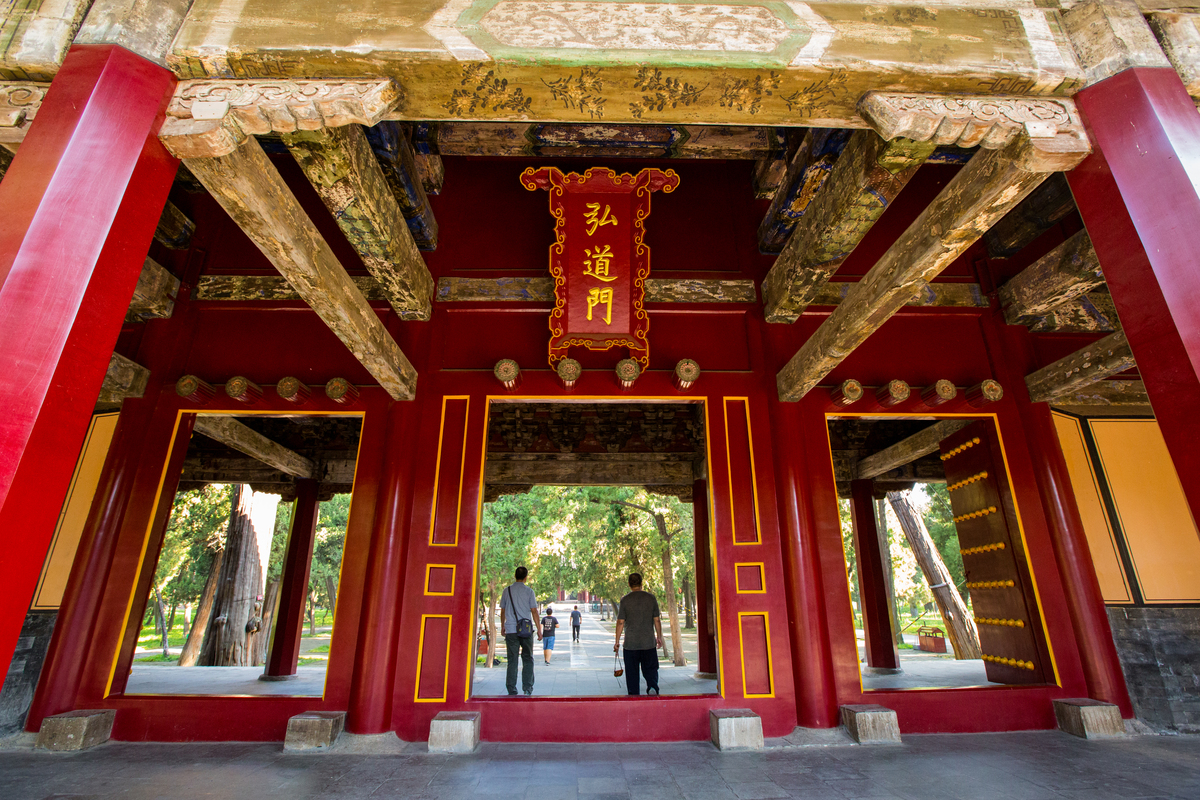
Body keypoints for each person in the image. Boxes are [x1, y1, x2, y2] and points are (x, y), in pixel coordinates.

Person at [613, 572, 664, 696]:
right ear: (641, 583)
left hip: (631, 644)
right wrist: (659, 637)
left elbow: (620, 622)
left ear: (629, 584)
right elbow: (657, 619)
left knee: (632, 673)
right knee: (651, 669)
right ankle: (652, 686)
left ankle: (633, 694)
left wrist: (617, 642)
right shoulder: (651, 598)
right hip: (648, 643)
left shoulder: (625, 600)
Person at [499, 566, 540, 696]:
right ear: (526, 577)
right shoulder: (529, 592)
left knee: (512, 660)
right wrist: (539, 629)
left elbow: (503, 610)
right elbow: (534, 611)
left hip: (511, 630)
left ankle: (511, 688)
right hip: (526, 630)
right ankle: (527, 688)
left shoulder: (507, 591)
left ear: (514, 576)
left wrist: (502, 625)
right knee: (528, 658)